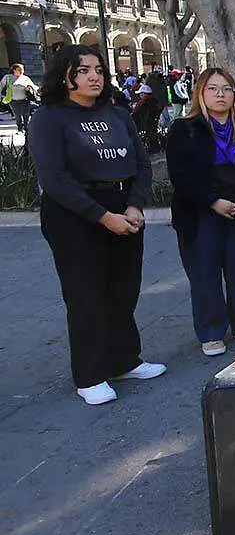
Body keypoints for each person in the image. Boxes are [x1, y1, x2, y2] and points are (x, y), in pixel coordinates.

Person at [28, 44, 166, 405]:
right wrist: (103, 217)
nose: (94, 76)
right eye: (84, 70)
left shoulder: (117, 113)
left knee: (124, 290)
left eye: (99, 70)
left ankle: (124, 360)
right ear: (65, 75)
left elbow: (142, 162)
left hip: (124, 206)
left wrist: (135, 205)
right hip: (75, 215)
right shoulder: (49, 118)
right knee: (86, 295)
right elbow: (54, 178)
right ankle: (89, 375)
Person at [167, 67, 235, 356]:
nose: (220, 94)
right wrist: (212, 201)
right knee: (205, 275)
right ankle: (211, 330)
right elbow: (180, 174)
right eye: (213, 88)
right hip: (201, 213)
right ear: (200, 93)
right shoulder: (184, 129)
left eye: (226, 88)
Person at [0, 63, 39, 131]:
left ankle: (27, 128)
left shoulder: (25, 78)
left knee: (26, 115)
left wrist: (36, 89)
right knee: (17, 116)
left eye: (22, 70)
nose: (21, 71)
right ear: (14, 70)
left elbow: (33, 86)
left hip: (25, 100)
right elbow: (1, 86)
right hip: (13, 100)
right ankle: (20, 128)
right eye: (19, 70)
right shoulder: (8, 77)